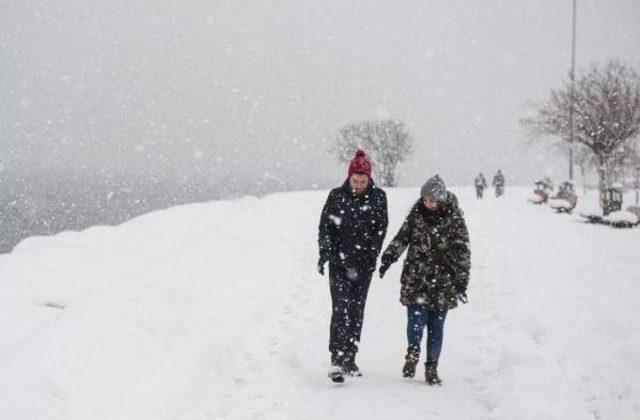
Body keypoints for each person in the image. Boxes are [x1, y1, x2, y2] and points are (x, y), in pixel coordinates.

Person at [379, 175, 470, 386]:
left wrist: (461, 280)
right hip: (416, 279)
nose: (428, 204)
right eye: (425, 199)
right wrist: (388, 258)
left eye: (432, 200)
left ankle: (432, 367)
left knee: (436, 327)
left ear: (441, 200)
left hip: (443, 282)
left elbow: (462, 251)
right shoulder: (416, 215)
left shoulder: (455, 219)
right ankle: (412, 353)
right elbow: (402, 238)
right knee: (415, 322)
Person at [317, 149, 388, 383]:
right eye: (354, 180)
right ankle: (336, 359)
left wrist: (372, 254)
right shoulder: (336, 196)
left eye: (363, 181)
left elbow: (381, 228)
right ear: (348, 178)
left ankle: (350, 356)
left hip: (363, 265)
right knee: (341, 309)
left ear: (370, 179)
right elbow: (325, 227)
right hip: (339, 263)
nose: (358, 185)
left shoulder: (378, 198)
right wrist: (325, 251)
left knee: (356, 311)